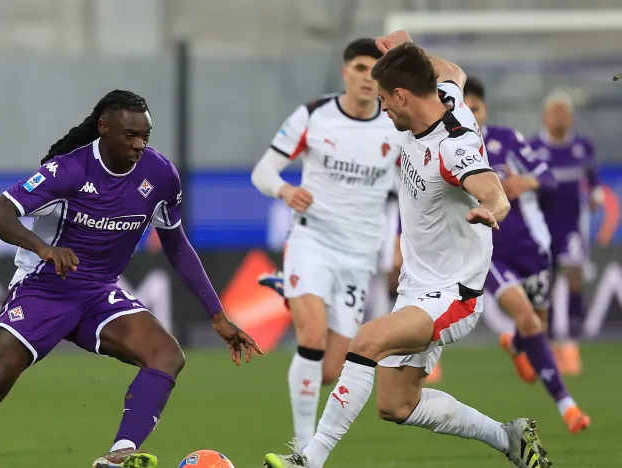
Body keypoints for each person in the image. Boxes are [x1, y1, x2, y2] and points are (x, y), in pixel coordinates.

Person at [0, 90, 262, 468]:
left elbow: (177, 246)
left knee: (166, 355)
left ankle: (120, 453)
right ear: (104, 129)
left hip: (99, 293)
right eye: (129, 136)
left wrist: (217, 315)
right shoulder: (67, 170)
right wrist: (44, 248)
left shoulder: (161, 176)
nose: (138, 146)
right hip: (44, 289)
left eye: (145, 137)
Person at [263, 32, 550, 468]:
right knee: (395, 404)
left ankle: (309, 460)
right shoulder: (444, 94)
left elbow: (494, 190)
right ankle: (507, 437)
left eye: (383, 99)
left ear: (401, 95)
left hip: (454, 293)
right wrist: (410, 49)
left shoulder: (453, 148)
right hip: (419, 283)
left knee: (365, 340)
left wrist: (490, 208)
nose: (381, 108)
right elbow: (454, 71)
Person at [251, 38, 406, 449]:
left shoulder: (395, 125)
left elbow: (409, 192)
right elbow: (263, 171)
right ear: (345, 73)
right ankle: (303, 450)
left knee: (330, 370)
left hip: (359, 255)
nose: (367, 78)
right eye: (359, 67)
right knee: (312, 337)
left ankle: (291, 291)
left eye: (375, 70)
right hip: (312, 240)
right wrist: (285, 191)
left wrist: (399, 243)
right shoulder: (315, 115)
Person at [464, 77, 589, 433]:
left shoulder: (507, 140)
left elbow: (548, 177)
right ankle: (569, 406)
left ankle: (517, 343)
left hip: (533, 248)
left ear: (484, 109)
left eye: (476, 107)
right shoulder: (453, 149)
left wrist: (525, 182)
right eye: (464, 108)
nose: (471, 114)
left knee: (538, 327)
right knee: (530, 320)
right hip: (490, 252)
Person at [529, 91, 601, 376]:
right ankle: (541, 346)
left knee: (573, 278)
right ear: (546, 116)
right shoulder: (534, 147)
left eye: (564, 112)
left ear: (570, 117)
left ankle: (570, 344)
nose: (559, 117)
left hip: (571, 227)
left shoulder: (583, 147)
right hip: (543, 228)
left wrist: (595, 195)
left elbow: (592, 181)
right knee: (544, 286)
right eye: (554, 112)